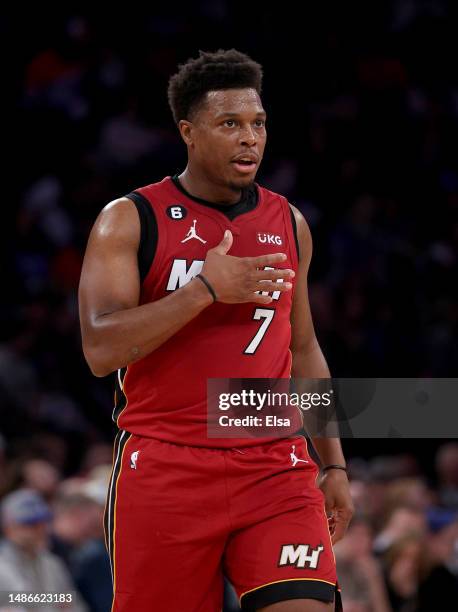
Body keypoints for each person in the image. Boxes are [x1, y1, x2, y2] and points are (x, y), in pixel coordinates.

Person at [78, 49, 354, 612]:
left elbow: (303, 348)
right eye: (229, 124)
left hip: (274, 462)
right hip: (166, 465)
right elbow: (101, 348)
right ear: (189, 132)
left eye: (258, 124)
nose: (249, 138)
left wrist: (333, 462)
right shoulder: (129, 218)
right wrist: (204, 290)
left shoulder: (288, 222)